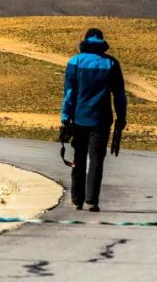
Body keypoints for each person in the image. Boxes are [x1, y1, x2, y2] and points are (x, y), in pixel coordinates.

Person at [60, 27, 127, 212]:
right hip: (102, 119)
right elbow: (119, 95)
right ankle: (92, 201)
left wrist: (65, 117)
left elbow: (69, 94)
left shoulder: (75, 62)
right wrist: (122, 117)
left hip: (79, 118)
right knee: (97, 160)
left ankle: (76, 199)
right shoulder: (112, 64)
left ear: (85, 42)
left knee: (79, 159)